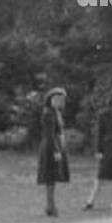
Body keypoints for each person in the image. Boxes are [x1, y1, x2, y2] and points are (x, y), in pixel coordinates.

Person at [36, 87, 70, 216]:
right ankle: (51, 207)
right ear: (50, 99)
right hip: (50, 146)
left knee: (53, 178)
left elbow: (59, 131)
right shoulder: (48, 113)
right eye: (55, 99)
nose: (58, 101)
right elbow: (49, 135)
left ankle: (50, 206)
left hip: (56, 144)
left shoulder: (56, 112)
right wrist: (56, 150)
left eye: (60, 99)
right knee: (50, 177)